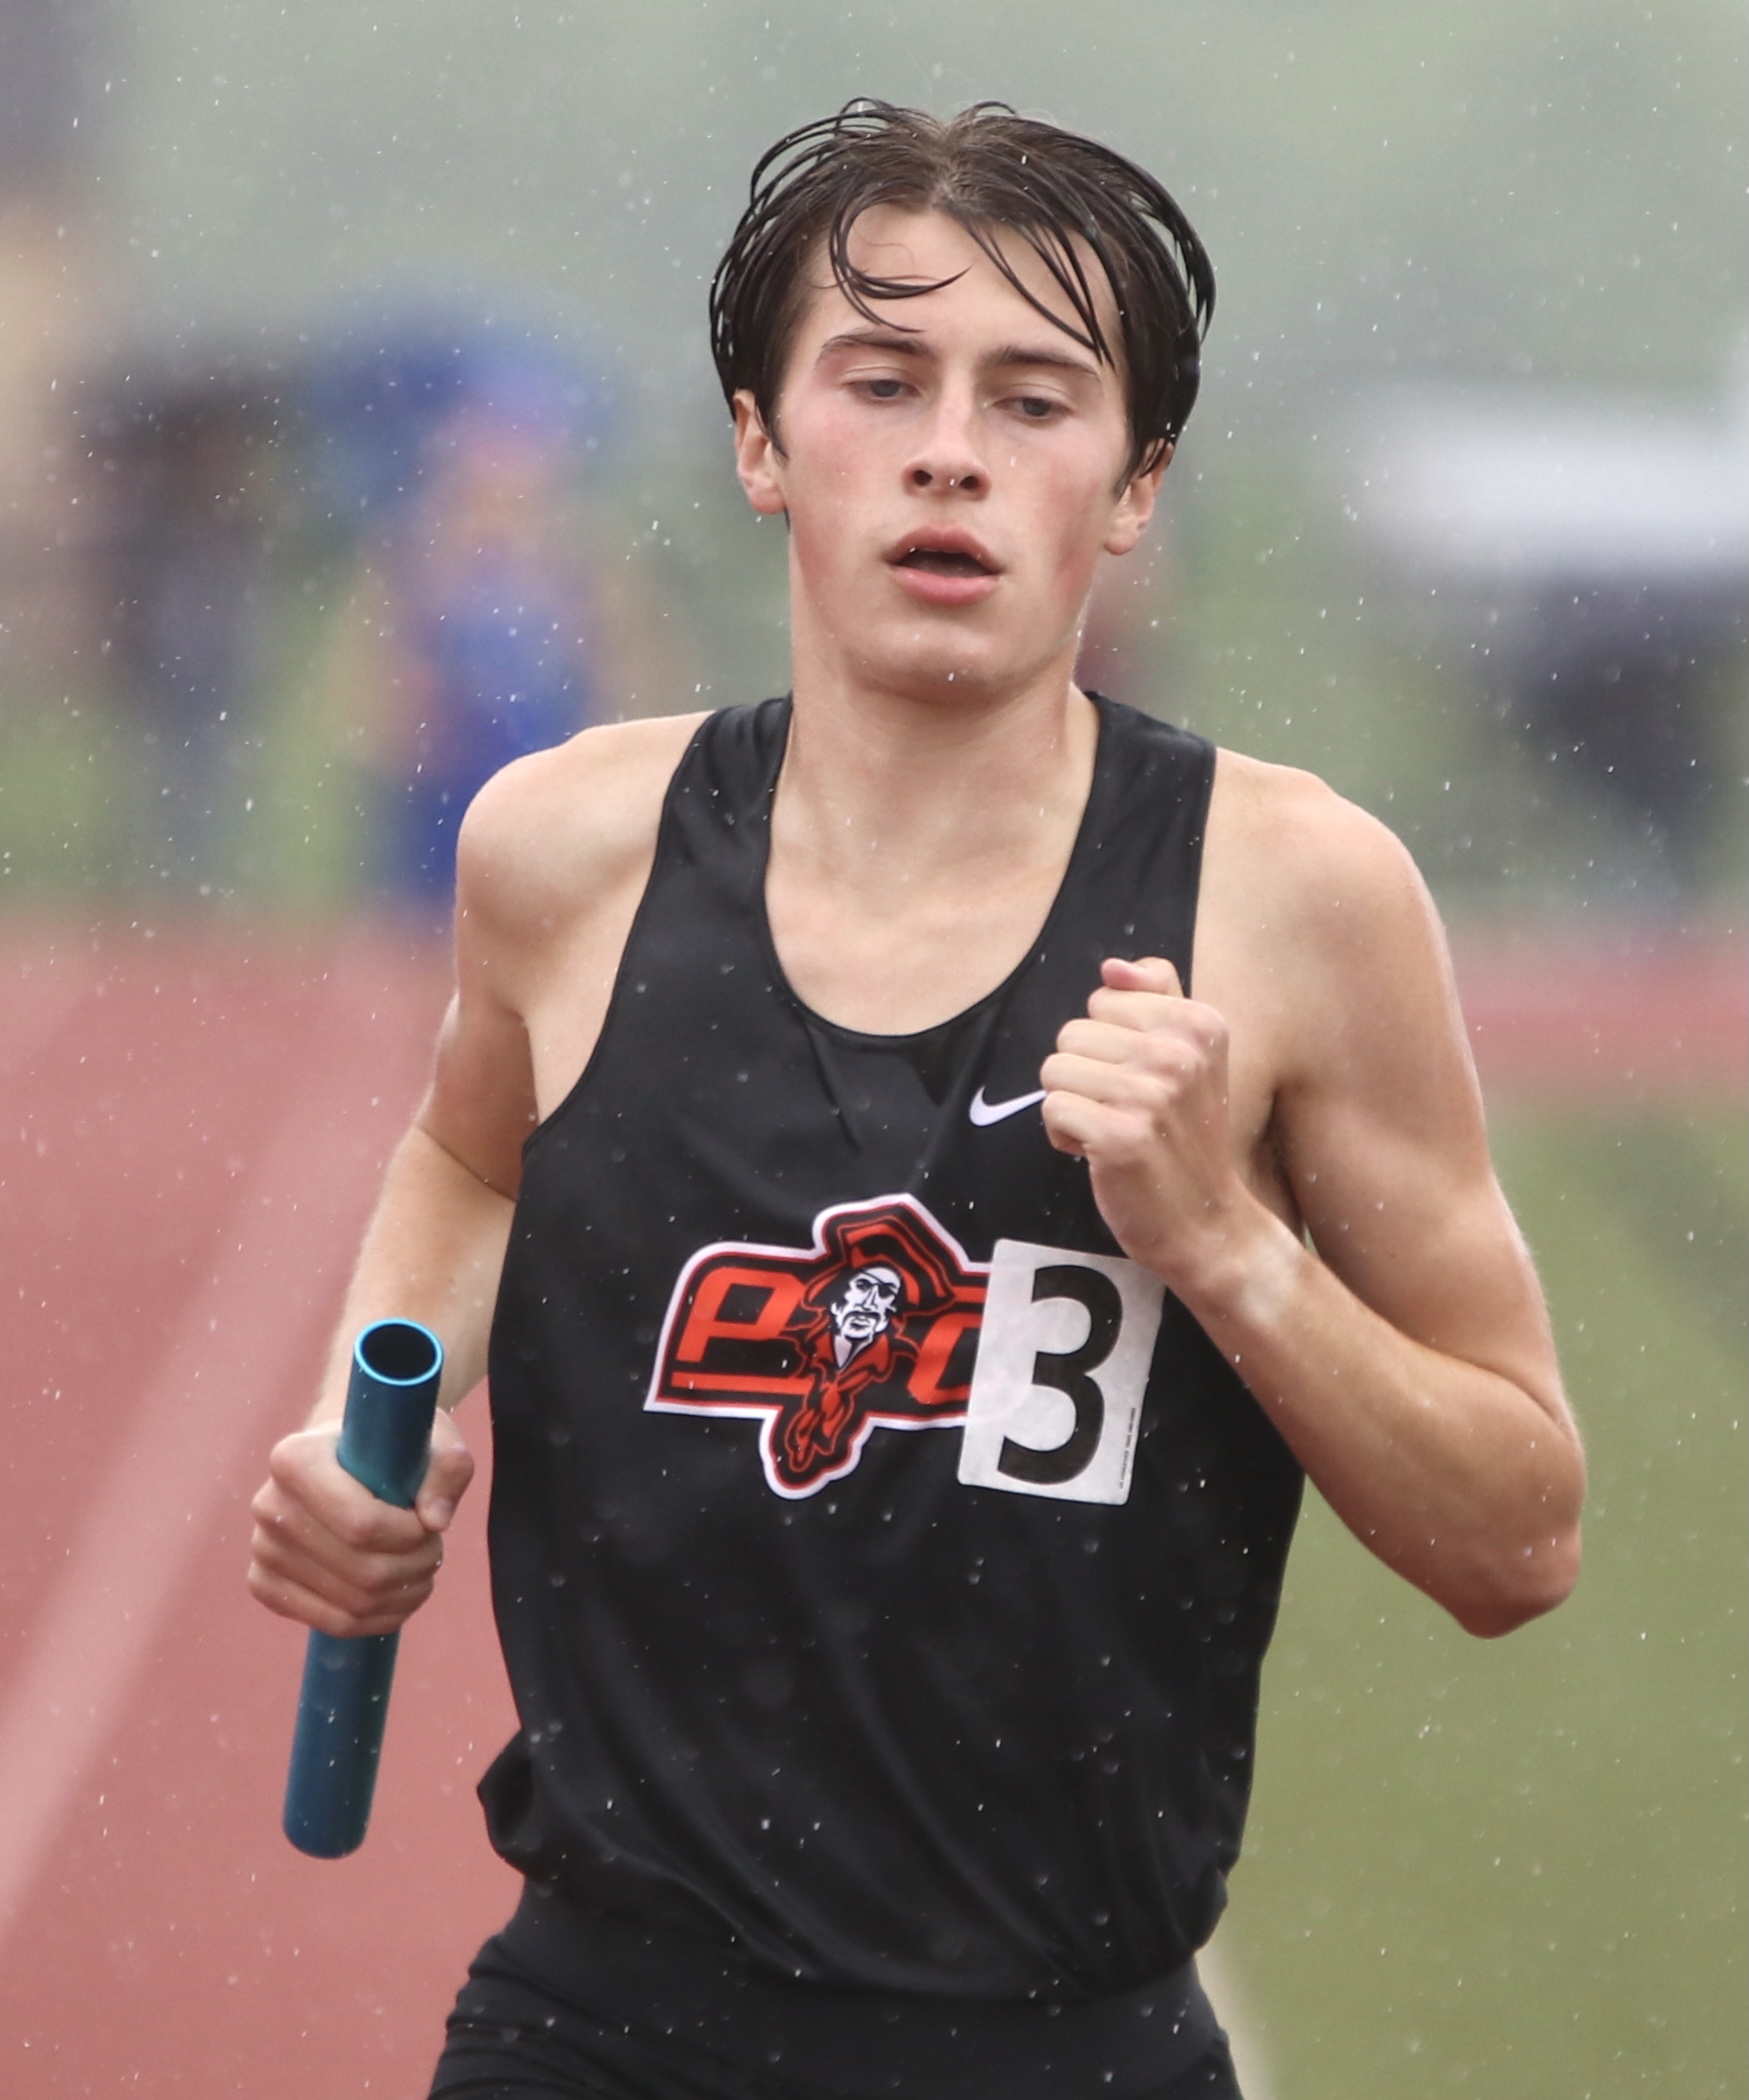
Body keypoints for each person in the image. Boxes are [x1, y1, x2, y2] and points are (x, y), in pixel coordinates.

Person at [248, 101, 1584, 2100]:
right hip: (602, 2031)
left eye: (1033, 400)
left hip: (1065, 2045)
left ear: (1132, 487)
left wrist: (1227, 1248)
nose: (950, 449)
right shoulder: (566, 851)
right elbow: (469, 1148)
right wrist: (378, 1417)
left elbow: (1516, 1540)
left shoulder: (1296, 902)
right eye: (880, 382)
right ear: (760, 443)